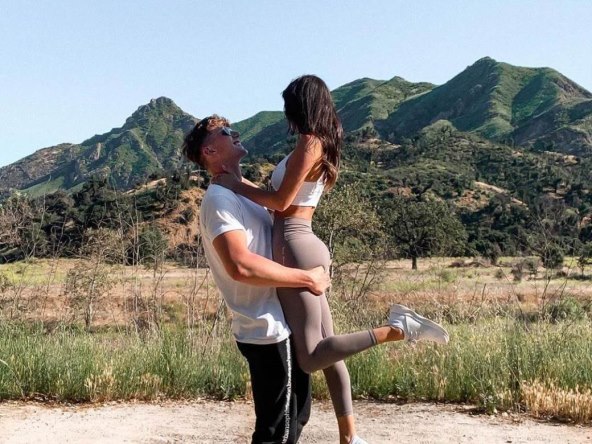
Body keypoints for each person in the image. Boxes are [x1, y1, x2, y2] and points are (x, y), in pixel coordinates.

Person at [212, 75, 450, 444]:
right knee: (329, 350)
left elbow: (280, 202)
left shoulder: (310, 143)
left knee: (310, 357)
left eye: (289, 105)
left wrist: (235, 185)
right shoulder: (318, 141)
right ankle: (349, 437)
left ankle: (397, 329)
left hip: (293, 246)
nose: (286, 113)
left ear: (301, 105)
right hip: (302, 242)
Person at [182, 114, 332, 444]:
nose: (235, 132)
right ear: (209, 151)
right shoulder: (220, 200)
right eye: (225, 132)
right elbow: (241, 266)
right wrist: (306, 278)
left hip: (280, 322)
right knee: (278, 433)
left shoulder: (243, 192)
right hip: (267, 328)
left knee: (294, 419)